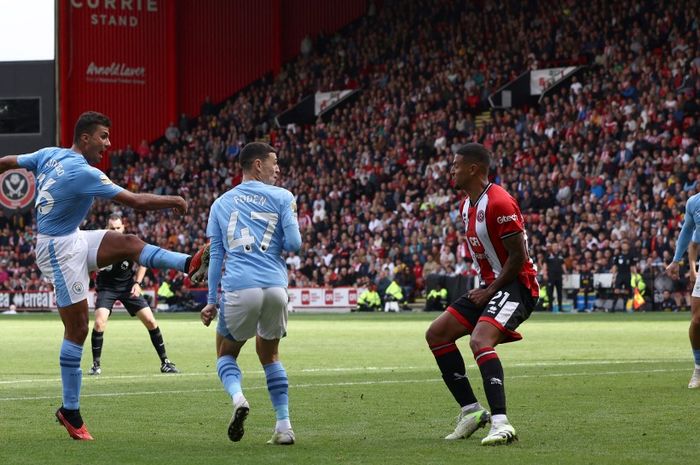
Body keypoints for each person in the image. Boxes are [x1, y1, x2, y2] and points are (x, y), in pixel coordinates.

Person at [0, 111, 209, 441]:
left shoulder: (49, 154)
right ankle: (70, 410)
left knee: (128, 243)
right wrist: (175, 200)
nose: (108, 144)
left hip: (71, 236)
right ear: (85, 139)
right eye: (103, 137)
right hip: (58, 248)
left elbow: (9, 160)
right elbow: (136, 201)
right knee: (79, 327)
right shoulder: (84, 172)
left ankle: (190, 263)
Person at [425, 143, 539, 446]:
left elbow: (518, 257)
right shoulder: (467, 205)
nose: (451, 170)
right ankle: (472, 412)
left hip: (517, 287)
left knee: (480, 340)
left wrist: (490, 290)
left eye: (456, 165)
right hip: (490, 287)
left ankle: (501, 423)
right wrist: (486, 288)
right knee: (437, 334)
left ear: (474, 168)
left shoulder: (500, 202)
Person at [200, 142, 301, 445]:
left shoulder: (220, 203)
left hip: (241, 286)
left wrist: (210, 301)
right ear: (258, 165)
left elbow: (215, 256)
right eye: (275, 162)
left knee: (225, 353)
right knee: (269, 355)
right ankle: (284, 427)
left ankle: (239, 398)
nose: (278, 168)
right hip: (275, 287)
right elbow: (294, 244)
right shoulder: (284, 197)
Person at [88, 214, 179, 376]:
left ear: (123, 227)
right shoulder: (98, 244)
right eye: (111, 228)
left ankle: (165, 362)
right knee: (99, 323)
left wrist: (138, 283)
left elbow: (143, 262)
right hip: (106, 288)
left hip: (128, 287)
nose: (115, 231)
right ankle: (96, 365)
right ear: (106, 228)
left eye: (118, 228)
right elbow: (87, 263)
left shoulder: (129, 243)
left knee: (151, 321)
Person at [666, 192, 700, 389]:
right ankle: (698, 368)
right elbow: (688, 233)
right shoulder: (694, 202)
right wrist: (676, 261)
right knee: (697, 321)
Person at [545, 243, 566, 312]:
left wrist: (565, 273)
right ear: (552, 247)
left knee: (559, 292)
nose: (555, 247)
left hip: (559, 276)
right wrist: (545, 274)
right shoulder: (548, 255)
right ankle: (550, 307)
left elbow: (563, 264)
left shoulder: (560, 255)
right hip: (551, 276)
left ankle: (560, 307)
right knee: (550, 292)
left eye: (557, 246)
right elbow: (545, 265)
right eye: (554, 246)